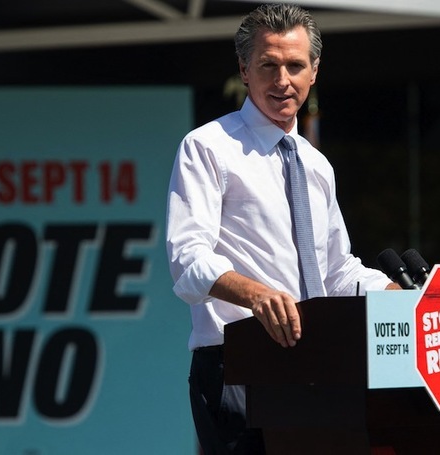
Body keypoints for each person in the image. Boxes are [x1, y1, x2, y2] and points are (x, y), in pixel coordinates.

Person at [166, 3, 400, 454]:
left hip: (316, 366)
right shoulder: (208, 147)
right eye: (268, 66)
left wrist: (401, 296)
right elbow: (187, 259)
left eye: (295, 66)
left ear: (314, 71)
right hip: (238, 362)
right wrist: (257, 296)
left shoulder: (316, 164)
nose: (282, 81)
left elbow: (337, 271)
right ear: (244, 69)